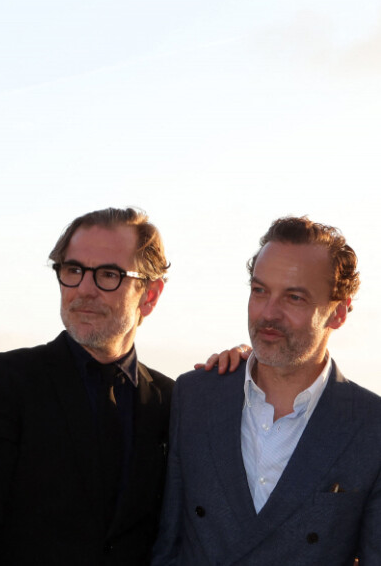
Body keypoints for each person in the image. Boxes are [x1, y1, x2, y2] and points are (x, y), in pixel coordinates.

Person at [0, 207, 174, 566]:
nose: (84, 289)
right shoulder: (3, 383)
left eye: (108, 274)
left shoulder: (174, 401)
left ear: (150, 295)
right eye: (73, 270)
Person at [152, 216, 381, 565]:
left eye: (294, 297)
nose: (268, 314)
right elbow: (168, 543)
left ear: (338, 312)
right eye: (260, 291)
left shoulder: (371, 425)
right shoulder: (195, 396)